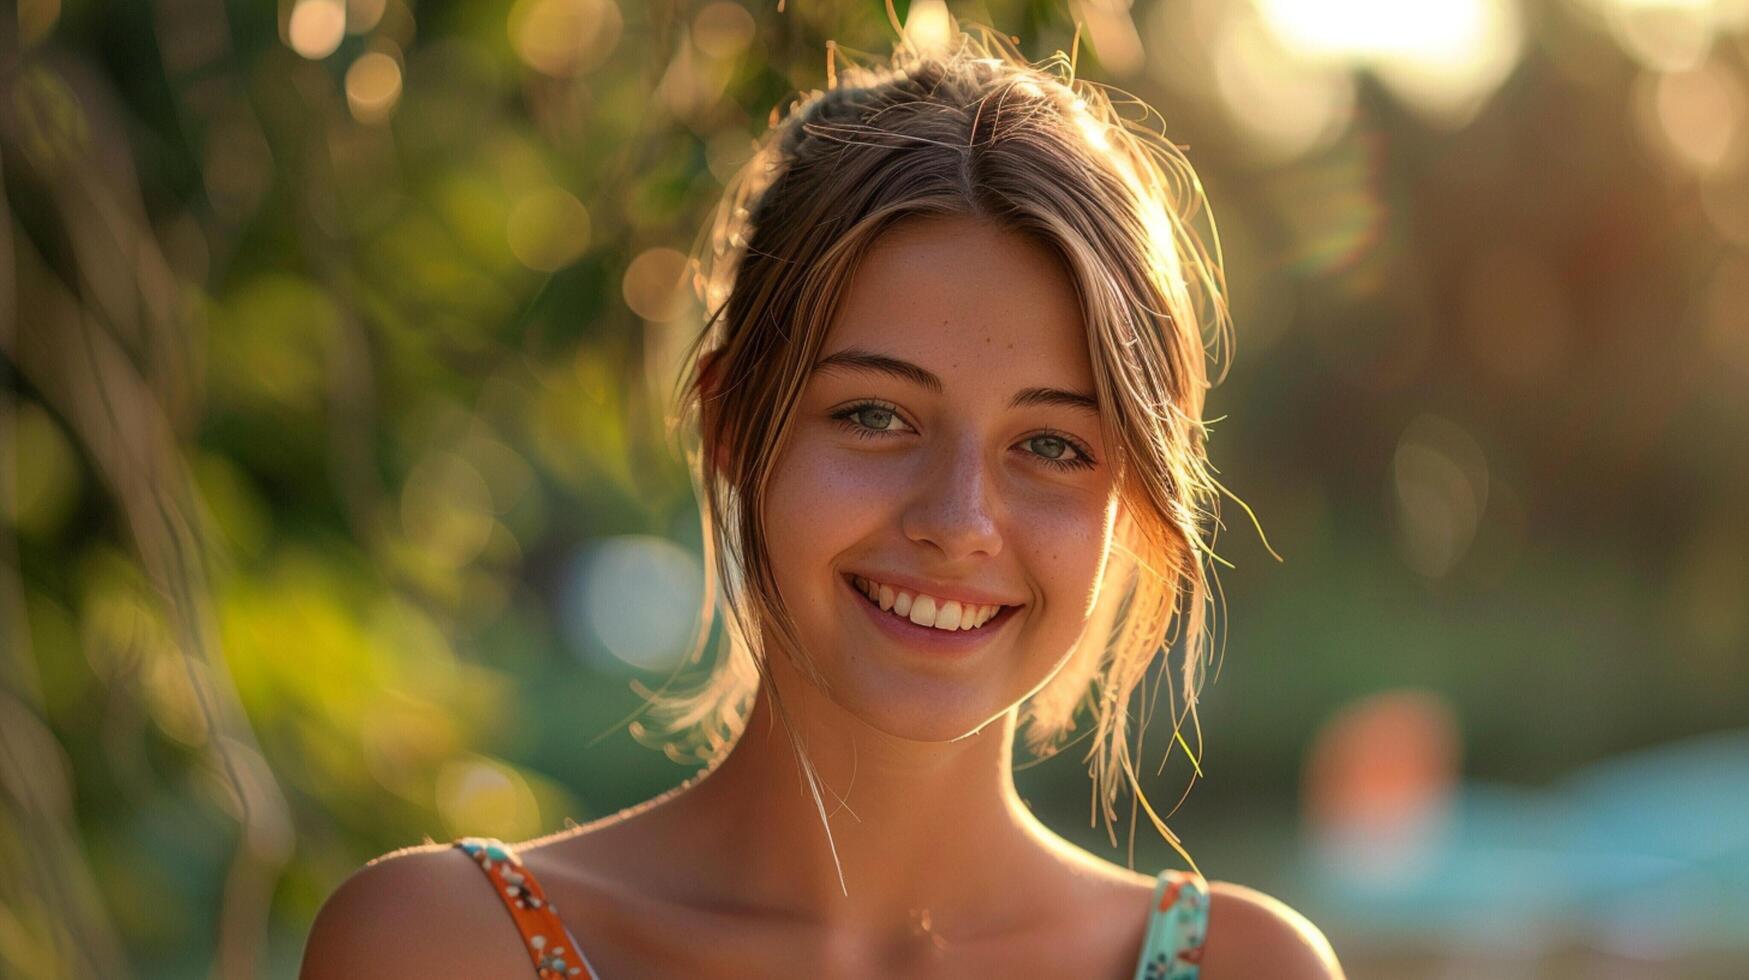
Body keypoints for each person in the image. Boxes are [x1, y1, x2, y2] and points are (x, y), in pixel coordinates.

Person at [301, 25, 1343, 980]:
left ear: (1129, 496)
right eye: (876, 416)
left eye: (1052, 443)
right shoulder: (444, 946)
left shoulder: (1249, 968)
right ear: (731, 423)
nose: (959, 518)